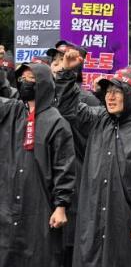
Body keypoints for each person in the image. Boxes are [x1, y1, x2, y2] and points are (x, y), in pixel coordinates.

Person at [55, 49, 131, 267]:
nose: (110, 96)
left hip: (125, 221)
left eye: (118, 91)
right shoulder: (98, 120)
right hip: (93, 219)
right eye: (108, 91)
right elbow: (68, 108)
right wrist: (68, 73)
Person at [0, 62, 75, 267]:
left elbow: (64, 168)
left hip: (40, 204)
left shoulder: (56, 122)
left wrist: (61, 205)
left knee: (39, 255)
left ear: (42, 84)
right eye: (22, 78)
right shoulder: (12, 111)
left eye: (31, 79)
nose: (25, 82)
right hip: (8, 201)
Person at [47, 40, 100, 106]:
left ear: (75, 65)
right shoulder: (45, 93)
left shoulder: (87, 99)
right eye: (54, 59)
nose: (55, 63)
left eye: (62, 59)